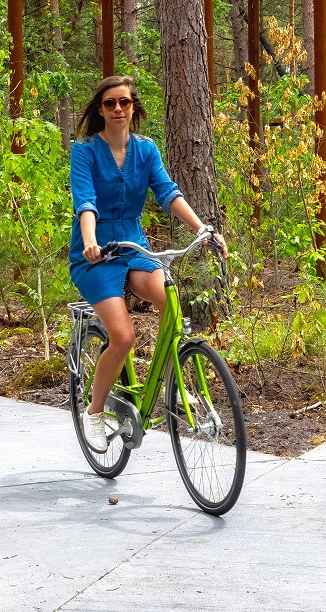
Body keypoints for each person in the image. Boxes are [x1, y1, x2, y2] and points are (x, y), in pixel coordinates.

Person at [68, 75, 223, 451]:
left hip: (134, 244)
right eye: (110, 104)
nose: (118, 109)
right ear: (100, 110)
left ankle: (172, 387)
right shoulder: (85, 150)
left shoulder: (146, 149)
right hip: (96, 253)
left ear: (134, 107)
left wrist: (203, 228)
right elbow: (85, 202)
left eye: (124, 102)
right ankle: (94, 412)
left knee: (171, 304)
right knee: (123, 337)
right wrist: (90, 243)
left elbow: (168, 193)